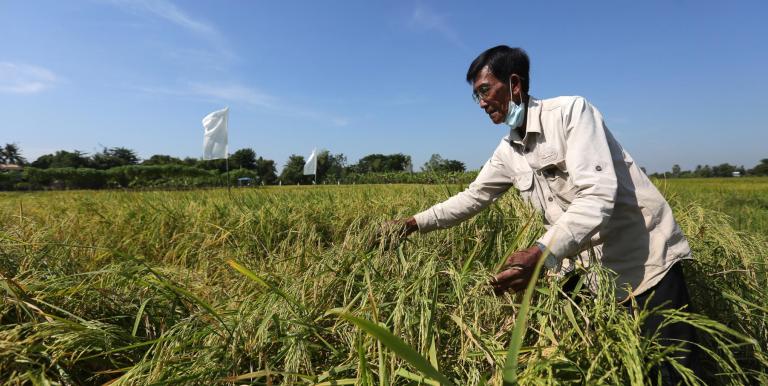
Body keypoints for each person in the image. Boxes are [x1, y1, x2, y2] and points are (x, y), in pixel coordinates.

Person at [394, 45, 697, 382]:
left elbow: (597, 195)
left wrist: (541, 253)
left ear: (514, 84)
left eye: (484, 90)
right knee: (617, 366)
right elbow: (473, 196)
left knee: (670, 371)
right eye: (475, 96)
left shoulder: (571, 114)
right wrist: (411, 224)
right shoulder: (508, 151)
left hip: (644, 261)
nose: (481, 103)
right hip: (592, 273)